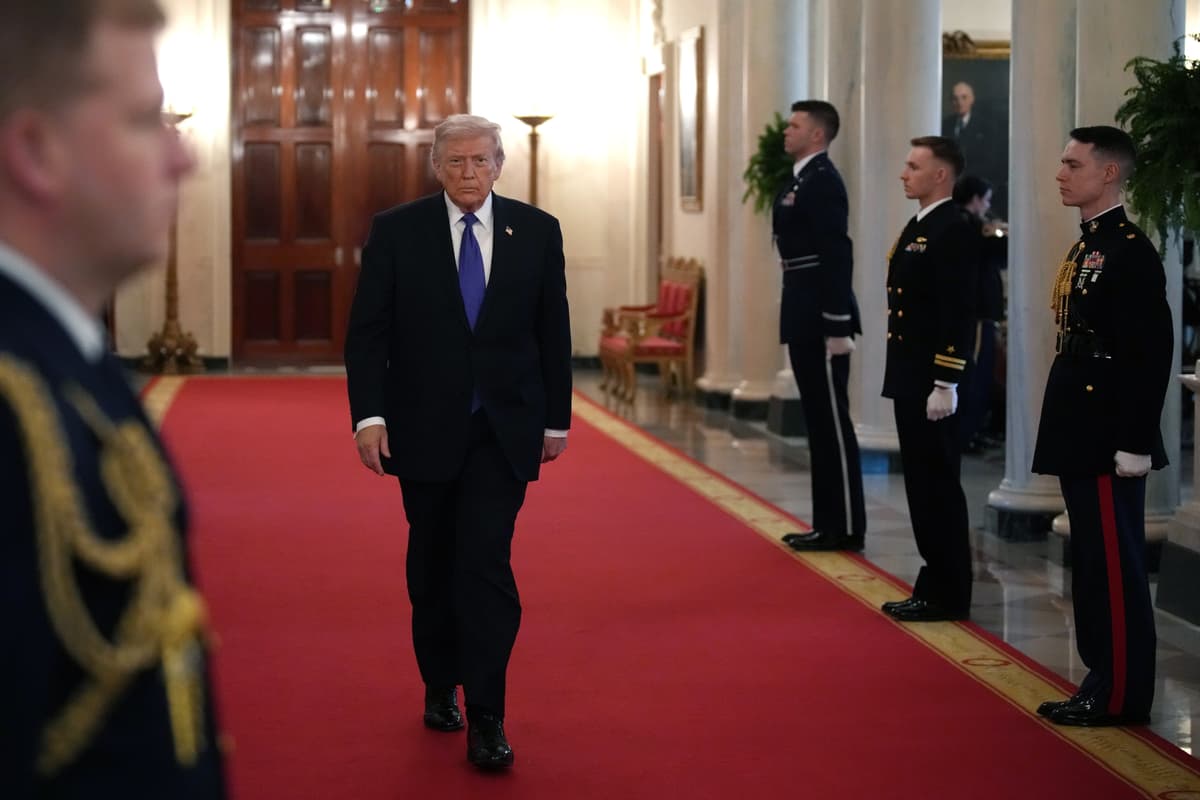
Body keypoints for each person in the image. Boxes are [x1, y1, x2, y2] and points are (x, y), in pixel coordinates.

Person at [0, 1, 226, 797]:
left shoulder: (66, 355)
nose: (182, 159)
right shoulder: (12, 407)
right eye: (145, 121)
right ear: (36, 150)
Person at [344, 113, 572, 769]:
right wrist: (369, 418)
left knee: (485, 564)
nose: (469, 174)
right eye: (456, 163)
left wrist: (556, 420)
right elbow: (369, 335)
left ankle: (488, 716)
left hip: (504, 431)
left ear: (500, 165)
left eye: (480, 162)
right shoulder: (397, 231)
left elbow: (552, 331)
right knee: (434, 563)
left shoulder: (535, 230)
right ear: (436, 168)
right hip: (422, 428)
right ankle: (439, 680)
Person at [1032, 126, 1173, 727]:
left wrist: (1136, 443)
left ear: (1109, 172)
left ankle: (1120, 694)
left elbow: (1150, 353)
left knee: (1114, 565)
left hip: (1109, 430)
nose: (1061, 173)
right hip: (1079, 423)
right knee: (1091, 559)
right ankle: (1101, 678)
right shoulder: (1088, 245)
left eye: (1073, 163)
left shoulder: (1130, 250)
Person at [880, 136, 979, 623]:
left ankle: (949, 590)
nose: (904, 173)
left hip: (931, 381)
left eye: (913, 166)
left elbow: (958, 312)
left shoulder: (952, 229)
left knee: (938, 485)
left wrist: (947, 381)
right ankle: (934, 582)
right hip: (910, 373)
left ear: (941, 175)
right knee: (921, 485)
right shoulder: (920, 224)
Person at [773, 100, 867, 553]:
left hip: (820, 315)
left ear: (817, 135)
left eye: (794, 126)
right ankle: (827, 522)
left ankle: (845, 524)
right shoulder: (802, 178)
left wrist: (836, 324)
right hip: (802, 307)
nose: (785, 131)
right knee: (818, 422)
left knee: (832, 422)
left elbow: (836, 253)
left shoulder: (823, 181)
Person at [952, 175, 1005, 452]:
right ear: (974, 199)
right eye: (985, 200)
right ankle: (963, 434)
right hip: (976, 317)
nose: (987, 206)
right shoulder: (968, 226)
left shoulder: (970, 225)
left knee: (981, 379)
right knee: (975, 380)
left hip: (980, 316)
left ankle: (968, 432)